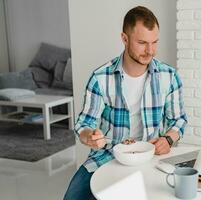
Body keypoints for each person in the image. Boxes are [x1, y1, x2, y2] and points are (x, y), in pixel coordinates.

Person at [64, 6, 187, 200]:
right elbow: (84, 124)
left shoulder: (169, 76)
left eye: (154, 42)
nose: (150, 51)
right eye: (142, 43)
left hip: (152, 157)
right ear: (124, 38)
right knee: (72, 198)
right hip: (107, 157)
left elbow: (179, 120)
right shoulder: (101, 77)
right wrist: (90, 136)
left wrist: (168, 139)